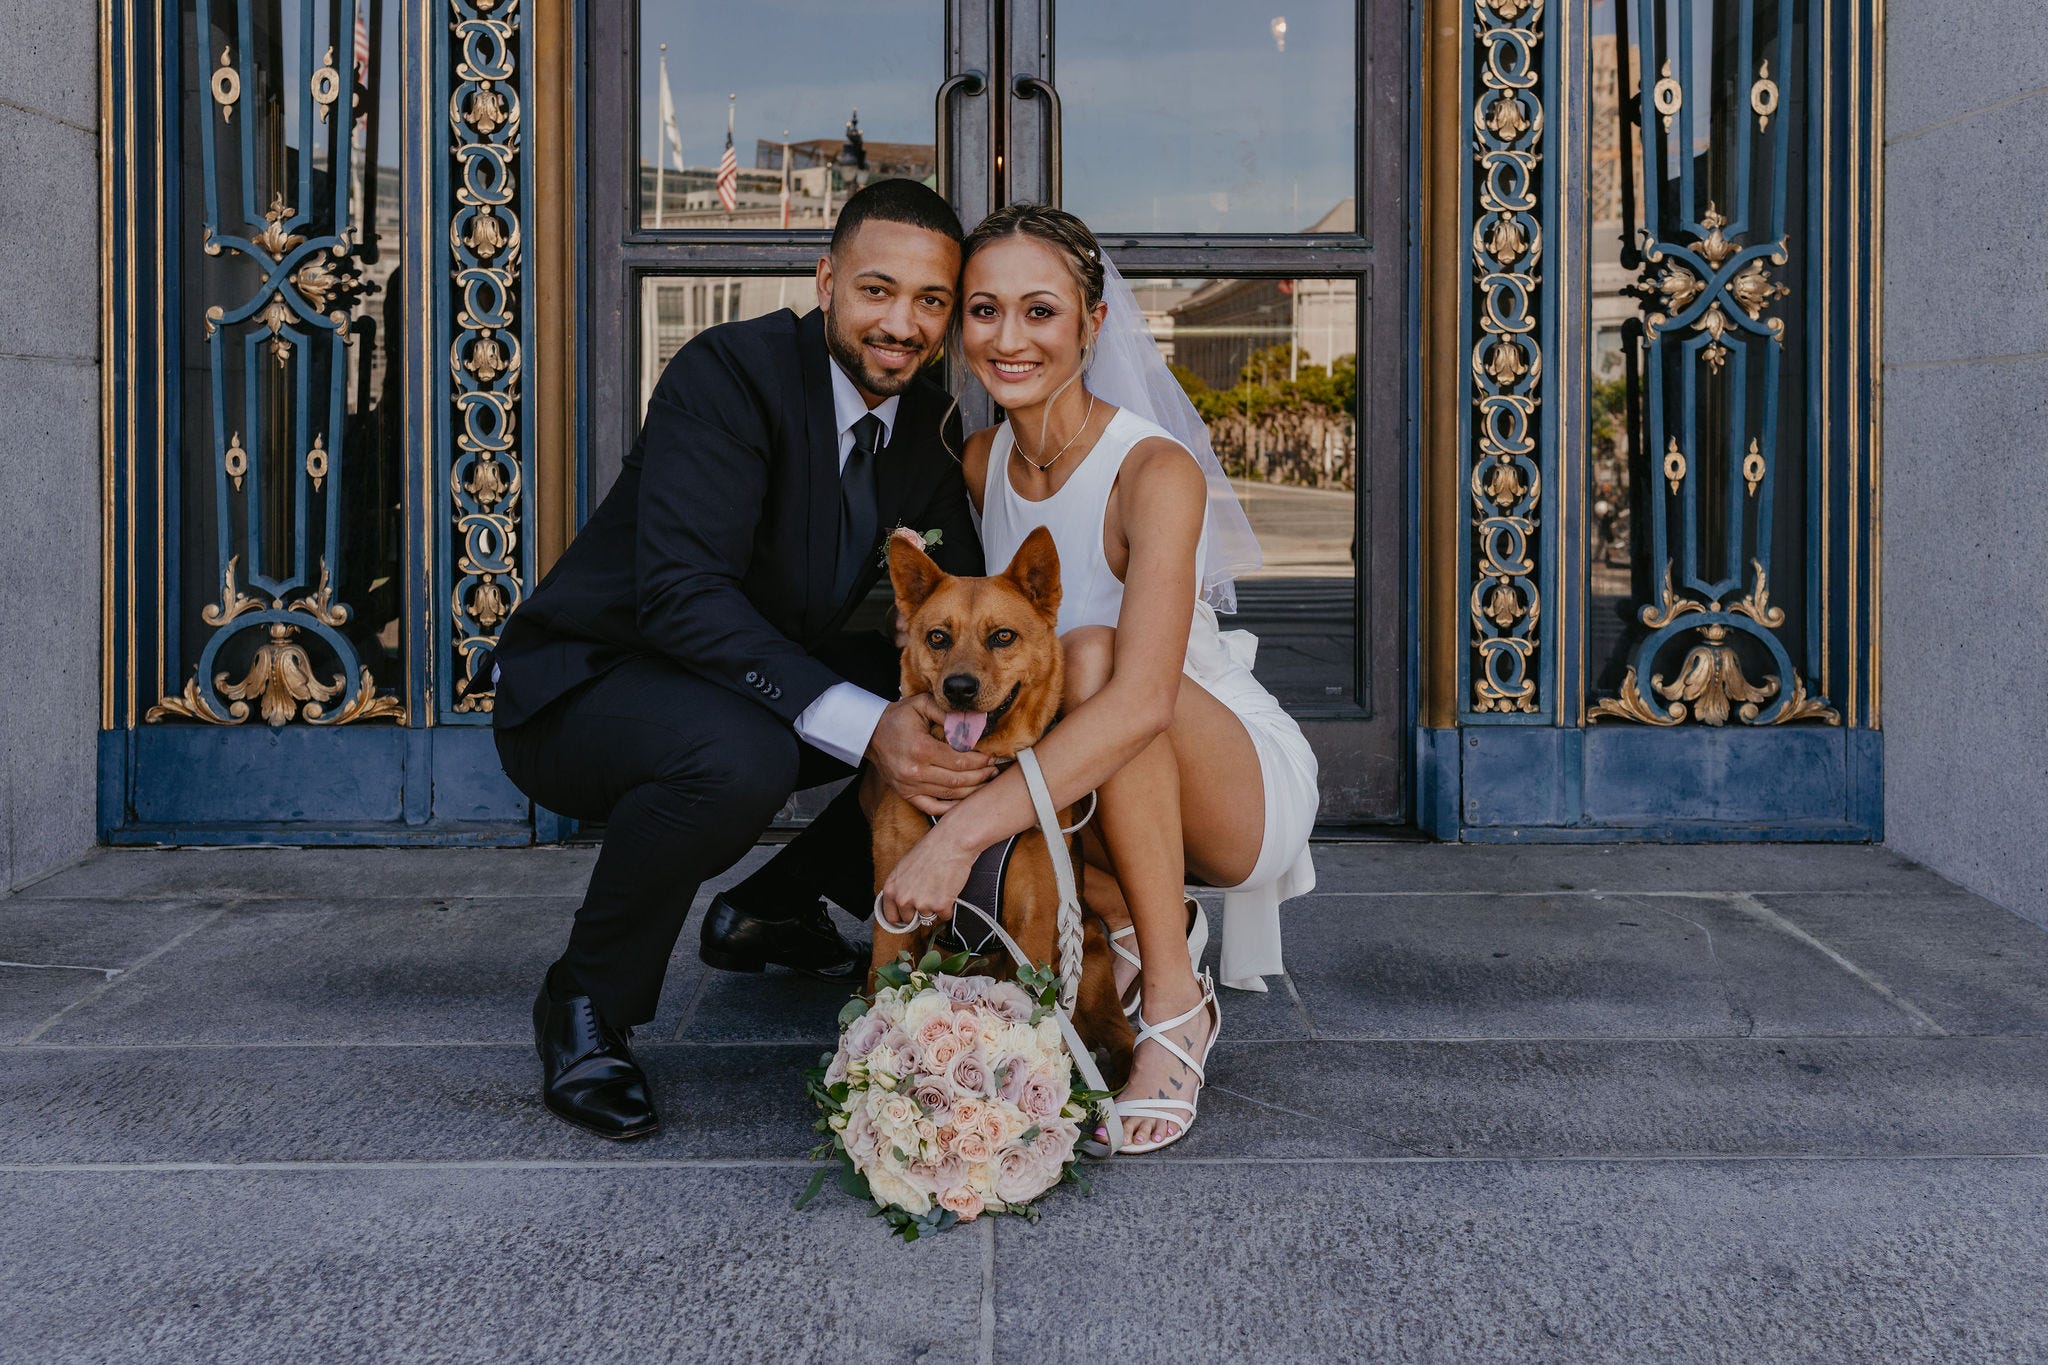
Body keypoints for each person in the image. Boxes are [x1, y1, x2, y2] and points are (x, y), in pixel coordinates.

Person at [491, 180, 991, 1140]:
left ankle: (767, 907)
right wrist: (867, 724)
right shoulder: (729, 373)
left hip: (745, 680)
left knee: (955, 719)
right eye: (877, 290)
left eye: (931, 300)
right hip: (590, 684)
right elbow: (682, 594)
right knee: (742, 759)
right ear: (825, 279)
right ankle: (585, 998)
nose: (902, 322)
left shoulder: (925, 424)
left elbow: (957, 596)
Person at [874, 204, 1319, 1154]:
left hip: (1222, 767)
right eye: (985, 312)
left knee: (1094, 654)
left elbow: (1146, 699)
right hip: (1086, 781)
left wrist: (954, 841)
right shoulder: (983, 459)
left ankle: (1173, 998)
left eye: (1040, 311)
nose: (1009, 338)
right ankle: (1118, 911)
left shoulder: (1153, 471)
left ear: (1093, 322)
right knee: (1013, 672)